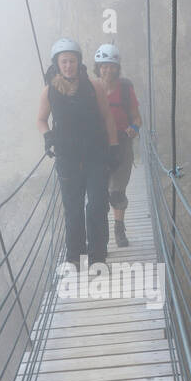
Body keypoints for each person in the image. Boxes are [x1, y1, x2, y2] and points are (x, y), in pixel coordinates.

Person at [37, 38, 121, 266]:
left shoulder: (94, 86)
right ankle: (75, 255)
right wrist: (47, 136)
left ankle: (97, 256)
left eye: (71, 61)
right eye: (63, 61)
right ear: (57, 64)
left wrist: (113, 147)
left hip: (95, 156)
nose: (68, 66)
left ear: (78, 62)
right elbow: (41, 120)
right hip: (68, 159)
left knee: (97, 205)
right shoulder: (49, 91)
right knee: (72, 209)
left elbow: (107, 117)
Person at [93, 44, 142, 247]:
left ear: (117, 68)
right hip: (98, 145)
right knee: (99, 192)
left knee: (117, 192)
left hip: (121, 143)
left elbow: (137, 118)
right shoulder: (91, 88)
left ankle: (119, 229)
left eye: (112, 66)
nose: (108, 70)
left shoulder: (125, 89)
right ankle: (101, 233)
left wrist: (134, 128)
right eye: (104, 66)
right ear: (98, 67)